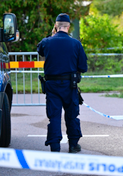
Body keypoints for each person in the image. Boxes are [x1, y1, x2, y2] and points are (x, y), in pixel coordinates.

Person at [37, 13, 88, 153]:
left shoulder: (47, 42)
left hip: (52, 86)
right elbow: (83, 67)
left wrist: (52, 35)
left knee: (54, 116)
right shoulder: (76, 44)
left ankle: (55, 147)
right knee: (72, 115)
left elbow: (40, 49)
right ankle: (73, 145)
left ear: (55, 26)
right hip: (69, 85)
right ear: (69, 26)